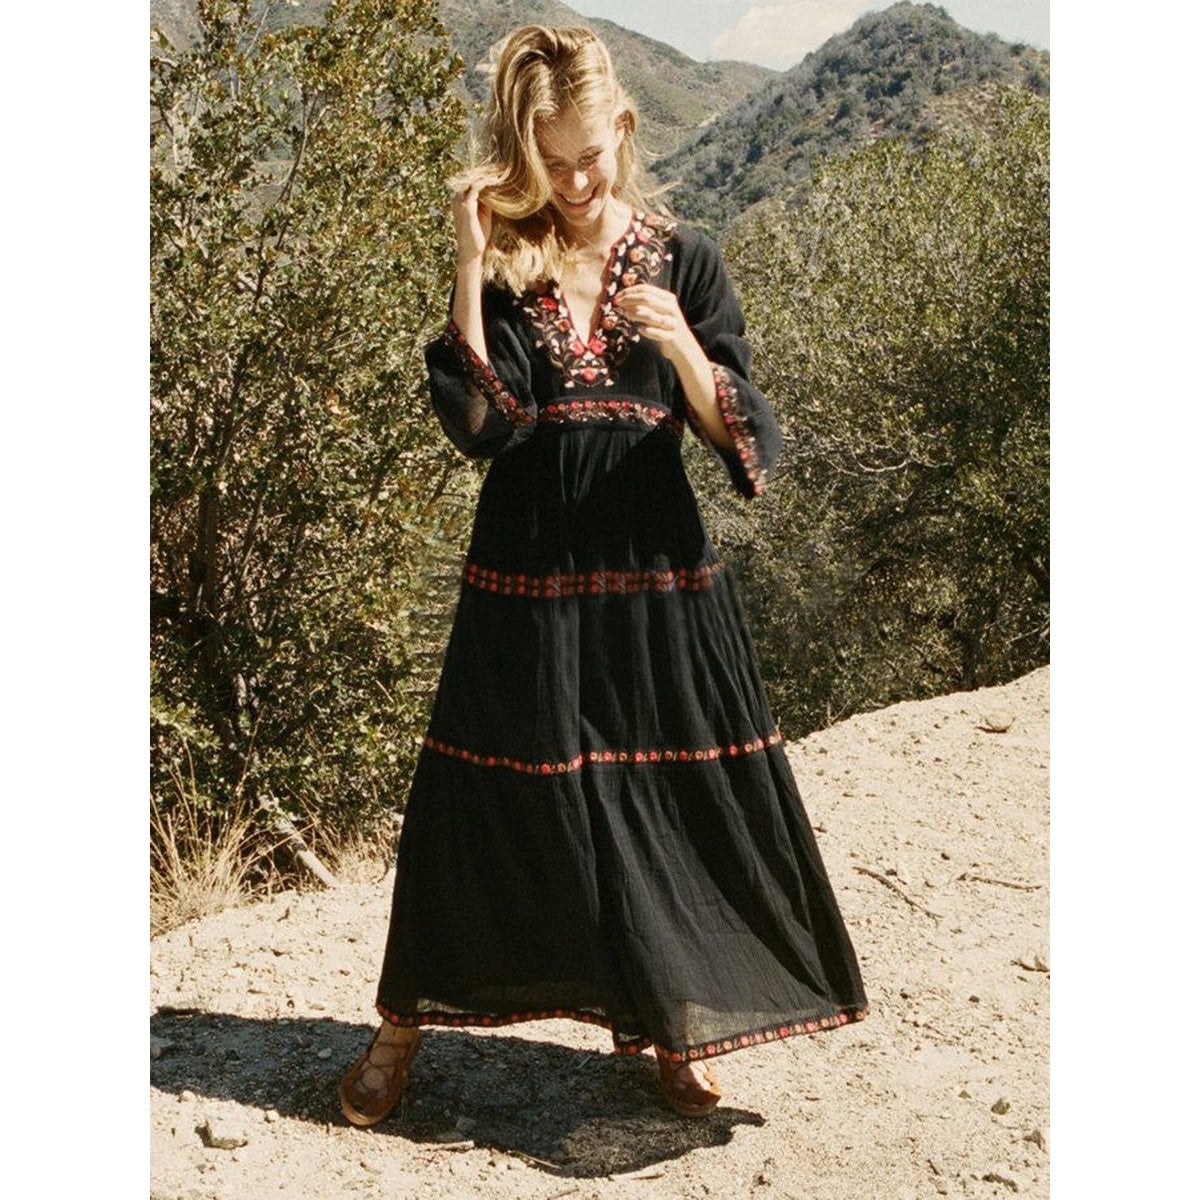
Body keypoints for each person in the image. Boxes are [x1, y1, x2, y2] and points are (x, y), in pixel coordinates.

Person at [338, 23, 867, 1127]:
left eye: (590, 156)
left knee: (662, 794)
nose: (575, 183)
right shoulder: (510, 261)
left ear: (623, 130)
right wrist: (470, 259)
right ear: (522, 154)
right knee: (481, 796)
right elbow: (482, 424)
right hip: (525, 566)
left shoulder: (686, 258)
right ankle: (402, 1026)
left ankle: (677, 1027)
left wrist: (682, 348)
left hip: (652, 568)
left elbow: (745, 442)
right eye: (551, 162)